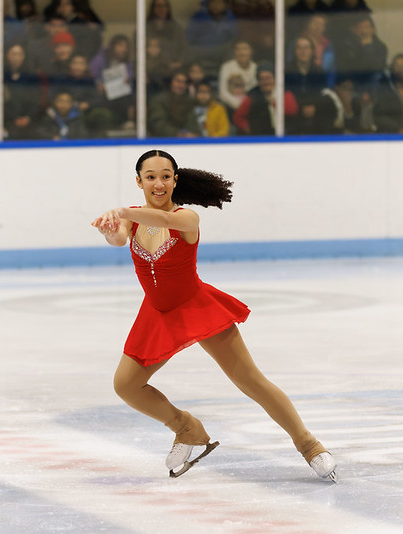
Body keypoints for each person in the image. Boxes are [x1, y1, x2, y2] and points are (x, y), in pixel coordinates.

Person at [90, 149, 337, 481]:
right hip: (158, 312)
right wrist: (110, 230)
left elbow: (162, 220)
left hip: (197, 307)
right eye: (151, 177)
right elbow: (119, 238)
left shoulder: (187, 218)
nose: (159, 183)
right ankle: (186, 427)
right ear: (139, 181)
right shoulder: (132, 218)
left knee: (250, 381)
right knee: (125, 385)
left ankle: (309, 444)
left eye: (166, 176)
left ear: (175, 180)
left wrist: (123, 211)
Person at [185, 0, 238, 76]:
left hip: (221, 52)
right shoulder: (199, 16)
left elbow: (234, 38)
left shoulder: (229, 17)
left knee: (232, 52)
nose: (216, 6)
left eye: (219, 3)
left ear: (224, 5)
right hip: (201, 51)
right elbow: (189, 37)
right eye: (213, 2)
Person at [3, 41, 41, 140]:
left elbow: (36, 101)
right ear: (7, 56)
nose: (17, 58)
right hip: (7, 123)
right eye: (14, 54)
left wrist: (28, 118)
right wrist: (11, 119)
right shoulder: (1, 76)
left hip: (30, 122)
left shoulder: (31, 77)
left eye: (20, 54)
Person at [147, 68, 199, 138]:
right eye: (178, 81)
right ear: (171, 82)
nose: (181, 85)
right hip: (160, 141)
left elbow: (193, 122)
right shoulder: (159, 100)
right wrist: (178, 134)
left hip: (186, 142)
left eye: (184, 82)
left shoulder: (190, 101)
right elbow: (158, 123)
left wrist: (193, 134)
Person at [146, 0, 188, 72]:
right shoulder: (144, 28)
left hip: (173, 71)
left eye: (164, 6)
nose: (161, 9)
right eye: (158, 6)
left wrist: (178, 63)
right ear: (152, 8)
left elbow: (184, 50)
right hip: (149, 70)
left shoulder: (176, 28)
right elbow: (136, 51)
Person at [217, 39, 256, 113]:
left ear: (251, 51)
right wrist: (240, 106)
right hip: (231, 107)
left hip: (252, 109)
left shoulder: (255, 68)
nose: (241, 52)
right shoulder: (227, 67)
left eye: (245, 48)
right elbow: (223, 93)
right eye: (238, 49)